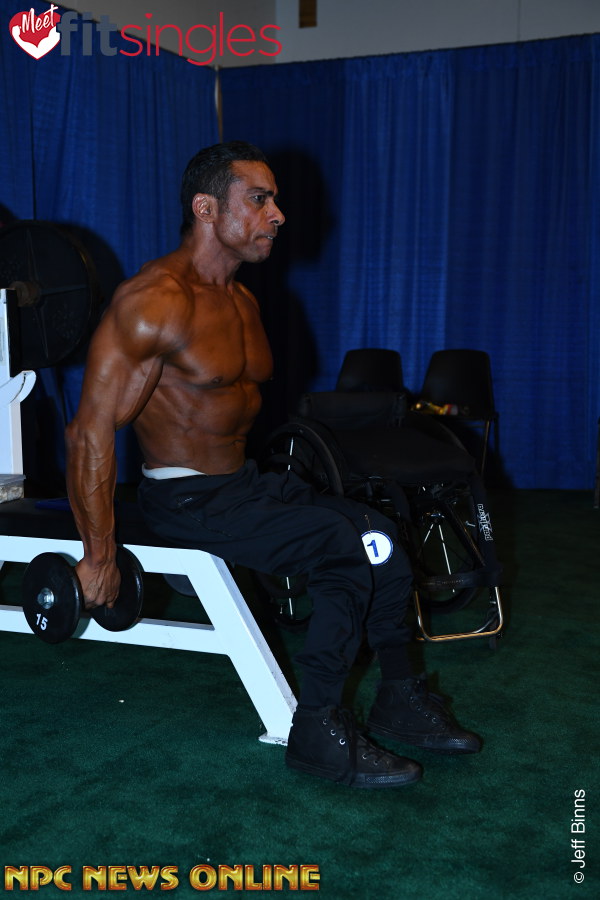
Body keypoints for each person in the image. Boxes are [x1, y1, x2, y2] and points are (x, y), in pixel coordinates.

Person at [65, 141, 481, 790]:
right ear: (206, 208)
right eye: (259, 200)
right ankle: (318, 729)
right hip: (185, 499)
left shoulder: (243, 302)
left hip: (244, 486)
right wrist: (97, 554)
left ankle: (400, 696)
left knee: (380, 536)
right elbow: (89, 432)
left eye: (275, 200)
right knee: (343, 548)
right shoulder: (154, 301)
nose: (278, 214)